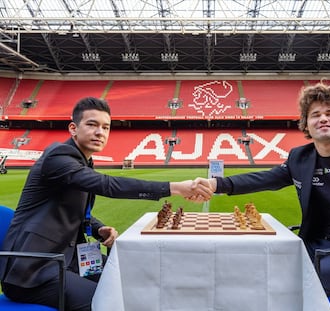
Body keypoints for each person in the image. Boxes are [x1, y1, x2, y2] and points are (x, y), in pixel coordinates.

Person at [192, 81, 330, 296]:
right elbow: (265, 179)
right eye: (315, 115)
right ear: (306, 124)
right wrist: (216, 183)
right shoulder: (300, 157)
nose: (323, 119)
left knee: (286, 280)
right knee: (255, 265)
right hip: (315, 247)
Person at [0, 97, 212, 311]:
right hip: (33, 271)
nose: (100, 132)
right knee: (105, 301)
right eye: (92, 124)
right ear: (73, 128)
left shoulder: (82, 161)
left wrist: (97, 227)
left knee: (127, 278)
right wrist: (174, 187)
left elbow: (73, 210)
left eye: (106, 127)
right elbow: (107, 185)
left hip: (69, 260)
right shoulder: (58, 156)